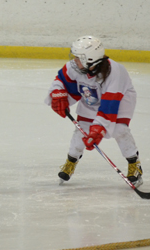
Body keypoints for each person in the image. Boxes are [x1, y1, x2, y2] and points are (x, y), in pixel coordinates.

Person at [46, 35, 143, 186]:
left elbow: (109, 106)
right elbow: (61, 80)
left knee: (119, 130)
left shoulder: (115, 72)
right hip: (91, 97)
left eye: (78, 58)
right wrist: (58, 93)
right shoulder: (76, 67)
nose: (74, 60)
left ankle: (134, 164)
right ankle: (70, 162)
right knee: (82, 130)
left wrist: (98, 129)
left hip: (120, 100)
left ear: (89, 60)